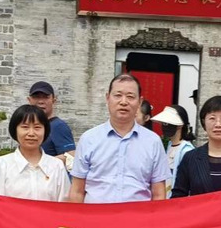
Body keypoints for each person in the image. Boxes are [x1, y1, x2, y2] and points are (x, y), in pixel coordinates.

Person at [69, 74, 169, 203]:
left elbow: (159, 195)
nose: (123, 102)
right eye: (118, 95)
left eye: (130, 97)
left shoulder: (153, 142)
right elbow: (77, 191)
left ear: (139, 102)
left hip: (137, 215)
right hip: (96, 215)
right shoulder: (89, 139)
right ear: (107, 98)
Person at [0, 104, 70, 201]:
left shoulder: (56, 166)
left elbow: (65, 205)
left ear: (45, 131)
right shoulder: (2, 164)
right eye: (25, 127)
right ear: (15, 130)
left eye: (37, 127)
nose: (31, 133)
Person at [171, 96, 221, 197]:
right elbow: (177, 197)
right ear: (204, 122)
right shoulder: (190, 158)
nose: (218, 124)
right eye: (212, 118)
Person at [151, 105, 196, 197]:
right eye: (163, 124)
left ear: (180, 126)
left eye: (168, 124)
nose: (164, 127)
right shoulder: (169, 146)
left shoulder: (186, 150)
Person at [27, 81, 76, 163]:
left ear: (54, 100)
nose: (41, 101)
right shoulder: (27, 126)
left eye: (45, 97)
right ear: (29, 100)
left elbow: (71, 156)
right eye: (36, 97)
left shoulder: (58, 126)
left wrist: (39, 164)